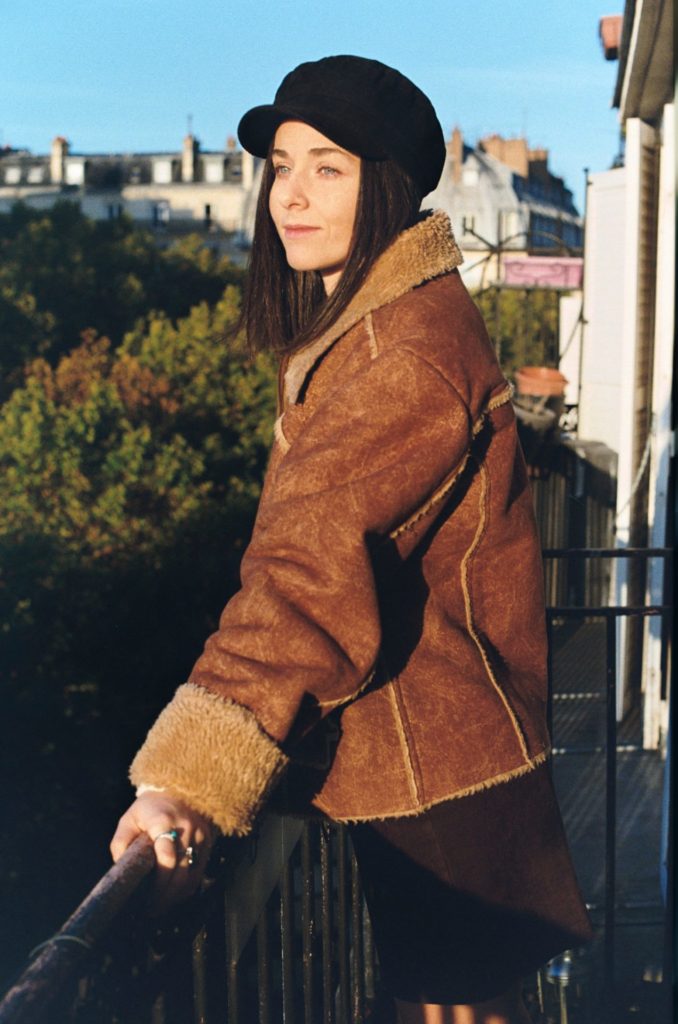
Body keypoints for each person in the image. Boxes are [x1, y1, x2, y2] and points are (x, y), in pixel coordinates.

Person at [111, 55, 592, 1024]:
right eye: (282, 165)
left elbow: (303, 574)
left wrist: (181, 781)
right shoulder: (386, 324)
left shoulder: (398, 350)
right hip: (438, 758)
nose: (290, 193)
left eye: (327, 167)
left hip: (440, 778)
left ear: (389, 187)